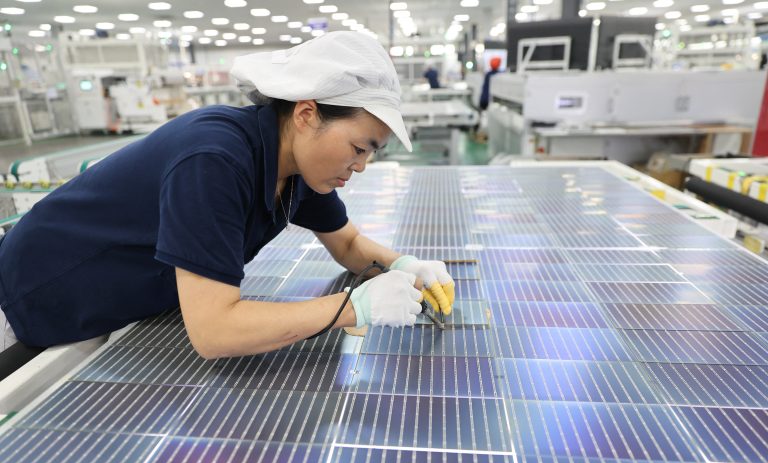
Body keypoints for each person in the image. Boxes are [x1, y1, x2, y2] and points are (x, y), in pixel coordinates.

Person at [0, 32, 455, 359]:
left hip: (107, 301)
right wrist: (352, 307)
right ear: (306, 114)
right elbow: (214, 331)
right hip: (25, 296)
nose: (360, 165)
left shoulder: (296, 167)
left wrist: (406, 267)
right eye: (358, 148)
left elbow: (350, 245)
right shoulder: (214, 160)